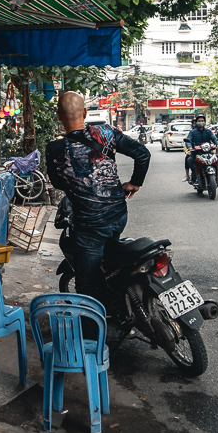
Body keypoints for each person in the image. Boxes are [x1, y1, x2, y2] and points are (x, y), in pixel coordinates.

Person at [45, 92, 151, 306]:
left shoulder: (55, 149)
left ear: (58, 116)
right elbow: (142, 154)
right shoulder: (107, 133)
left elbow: (58, 184)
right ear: (84, 112)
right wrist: (134, 183)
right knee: (110, 262)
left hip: (89, 225)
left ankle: (93, 333)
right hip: (119, 215)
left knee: (86, 286)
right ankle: (116, 304)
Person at [184, 116, 218, 184]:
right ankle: (194, 176)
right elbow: (188, 141)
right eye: (199, 121)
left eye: (202, 121)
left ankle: (217, 173)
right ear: (196, 122)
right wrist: (189, 147)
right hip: (196, 152)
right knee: (189, 159)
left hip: (207, 152)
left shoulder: (208, 131)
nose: (201, 122)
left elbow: (214, 139)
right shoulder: (192, 132)